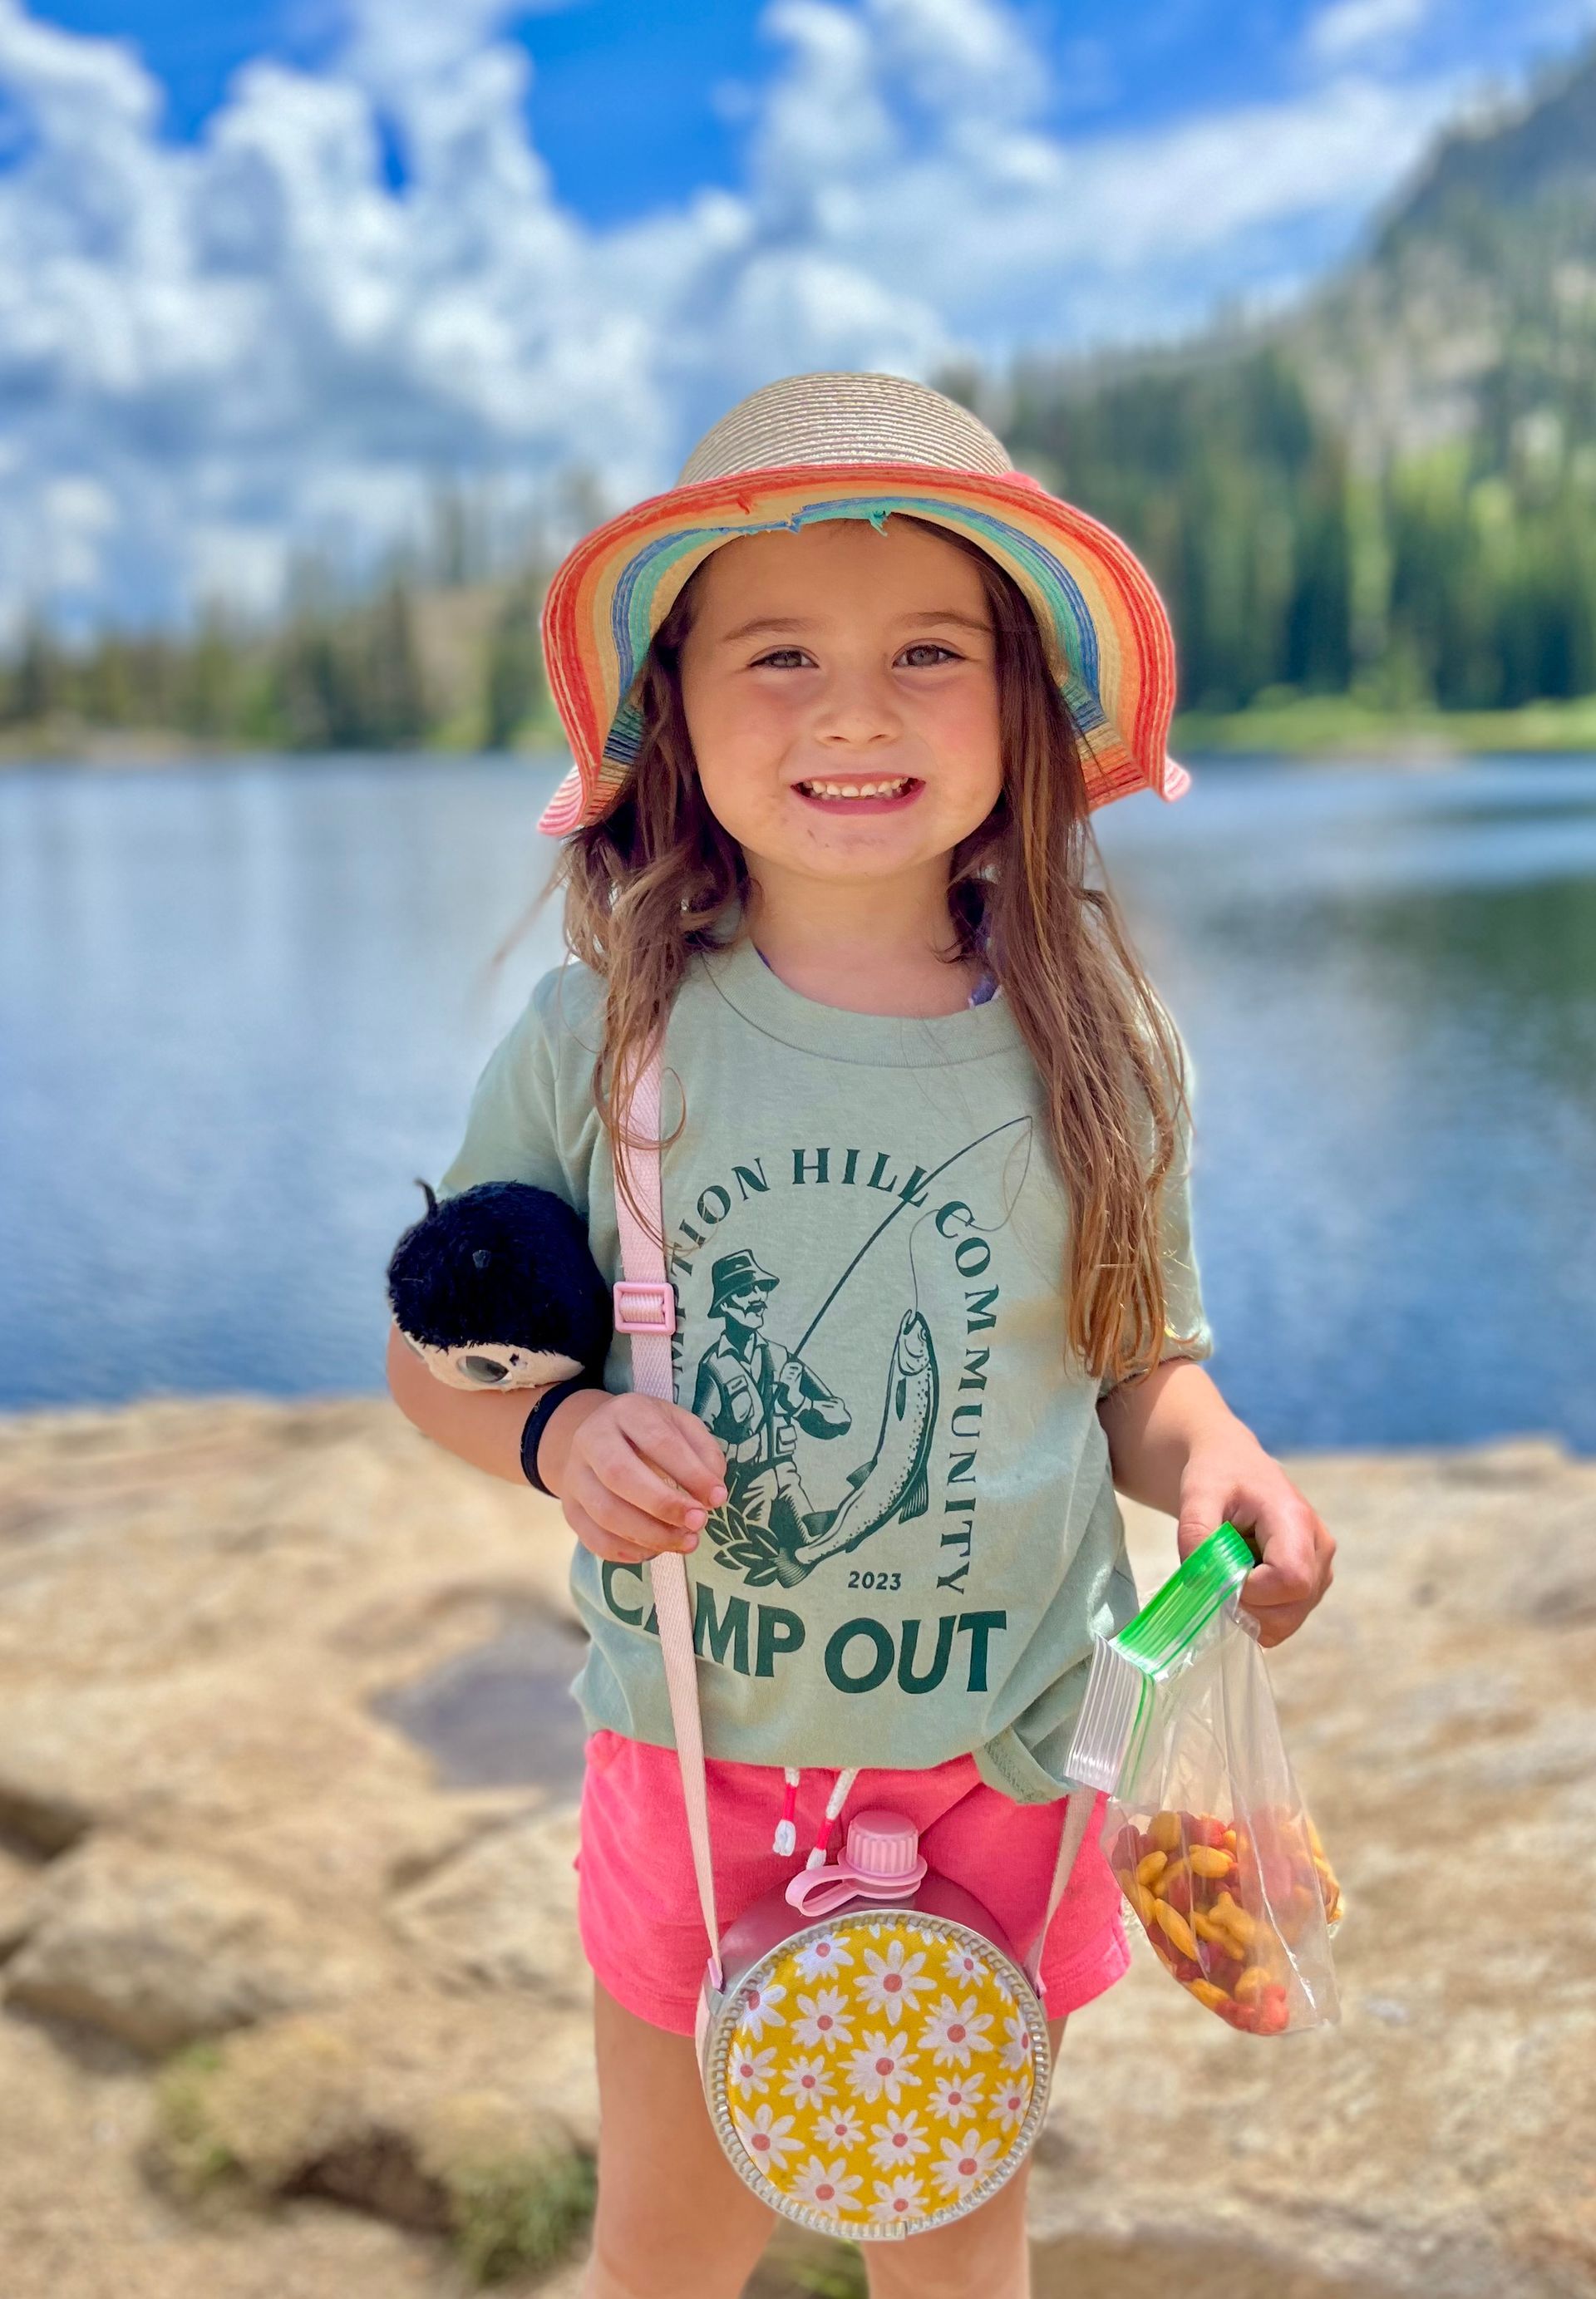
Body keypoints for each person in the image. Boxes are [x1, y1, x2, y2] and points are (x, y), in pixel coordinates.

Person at [386, 371, 1336, 2299]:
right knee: (666, 2244)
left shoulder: (1099, 1045)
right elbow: (437, 1361)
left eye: (927, 652)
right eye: (778, 655)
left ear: (1021, 709)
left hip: (1007, 1775)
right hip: (700, 1762)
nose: (850, 710)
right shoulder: (604, 1044)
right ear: (671, 712)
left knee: (956, 2240)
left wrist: (1213, 1460)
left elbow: (1146, 1365)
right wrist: (559, 1437)